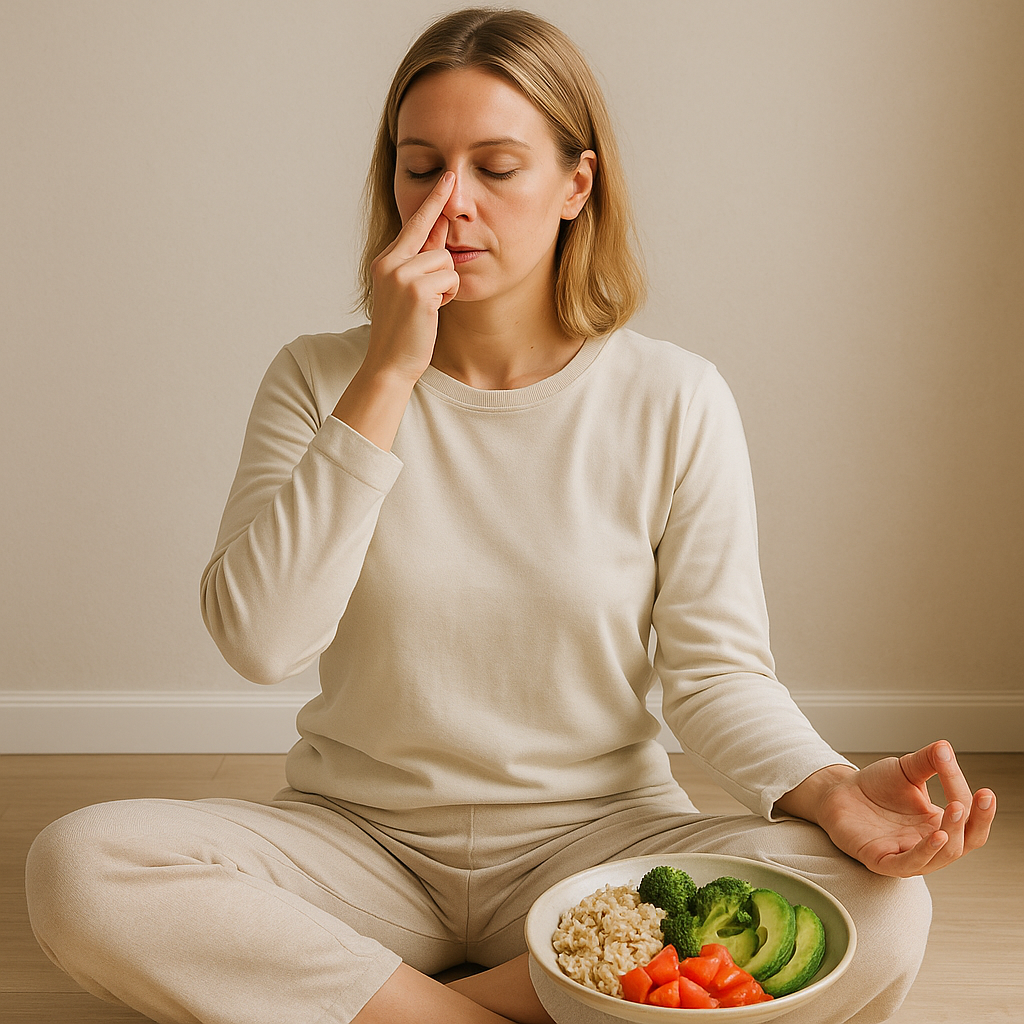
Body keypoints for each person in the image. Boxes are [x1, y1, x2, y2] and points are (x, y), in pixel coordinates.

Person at [26, 8, 995, 1024]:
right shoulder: (319, 377)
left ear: (576, 185)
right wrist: (389, 374)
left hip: (598, 847)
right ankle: (544, 1003)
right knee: (82, 865)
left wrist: (829, 787)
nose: (449, 204)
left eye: (495, 167)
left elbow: (713, 675)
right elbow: (263, 640)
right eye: (419, 166)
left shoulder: (674, 396)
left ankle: (398, 1006)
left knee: (879, 909)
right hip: (360, 840)